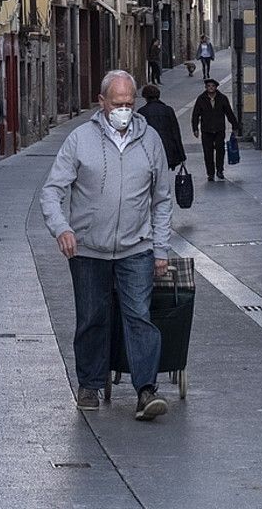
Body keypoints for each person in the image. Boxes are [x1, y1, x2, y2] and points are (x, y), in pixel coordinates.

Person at [41, 70, 173, 422]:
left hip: (136, 248)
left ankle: (146, 390)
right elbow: (52, 191)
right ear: (102, 103)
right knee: (92, 318)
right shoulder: (80, 139)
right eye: (118, 104)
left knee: (139, 319)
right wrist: (62, 229)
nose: (124, 110)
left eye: (130, 104)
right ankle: (89, 384)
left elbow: (162, 199)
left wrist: (160, 249)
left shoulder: (150, 141)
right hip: (87, 249)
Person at [191, 77, 238, 182]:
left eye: (212, 86)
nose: (210, 88)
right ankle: (210, 173)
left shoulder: (222, 98)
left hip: (219, 129)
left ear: (216, 87)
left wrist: (235, 125)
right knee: (208, 152)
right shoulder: (201, 99)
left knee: (220, 151)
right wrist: (195, 129)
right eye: (208, 86)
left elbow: (229, 113)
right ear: (206, 87)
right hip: (206, 130)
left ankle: (220, 170)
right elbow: (195, 115)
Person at [139, 84, 185, 170]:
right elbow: (175, 133)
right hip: (167, 149)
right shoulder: (168, 110)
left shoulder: (142, 112)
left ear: (145, 97)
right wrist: (181, 155)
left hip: (150, 150)